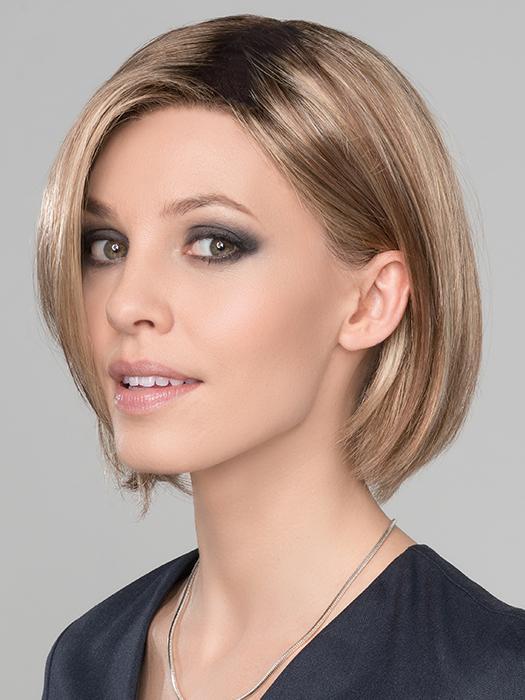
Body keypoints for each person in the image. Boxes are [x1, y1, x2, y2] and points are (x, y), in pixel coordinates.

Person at [37, 13, 525, 700]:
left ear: (370, 302)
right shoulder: (88, 660)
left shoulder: (489, 675)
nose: (125, 303)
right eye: (107, 246)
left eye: (214, 244)